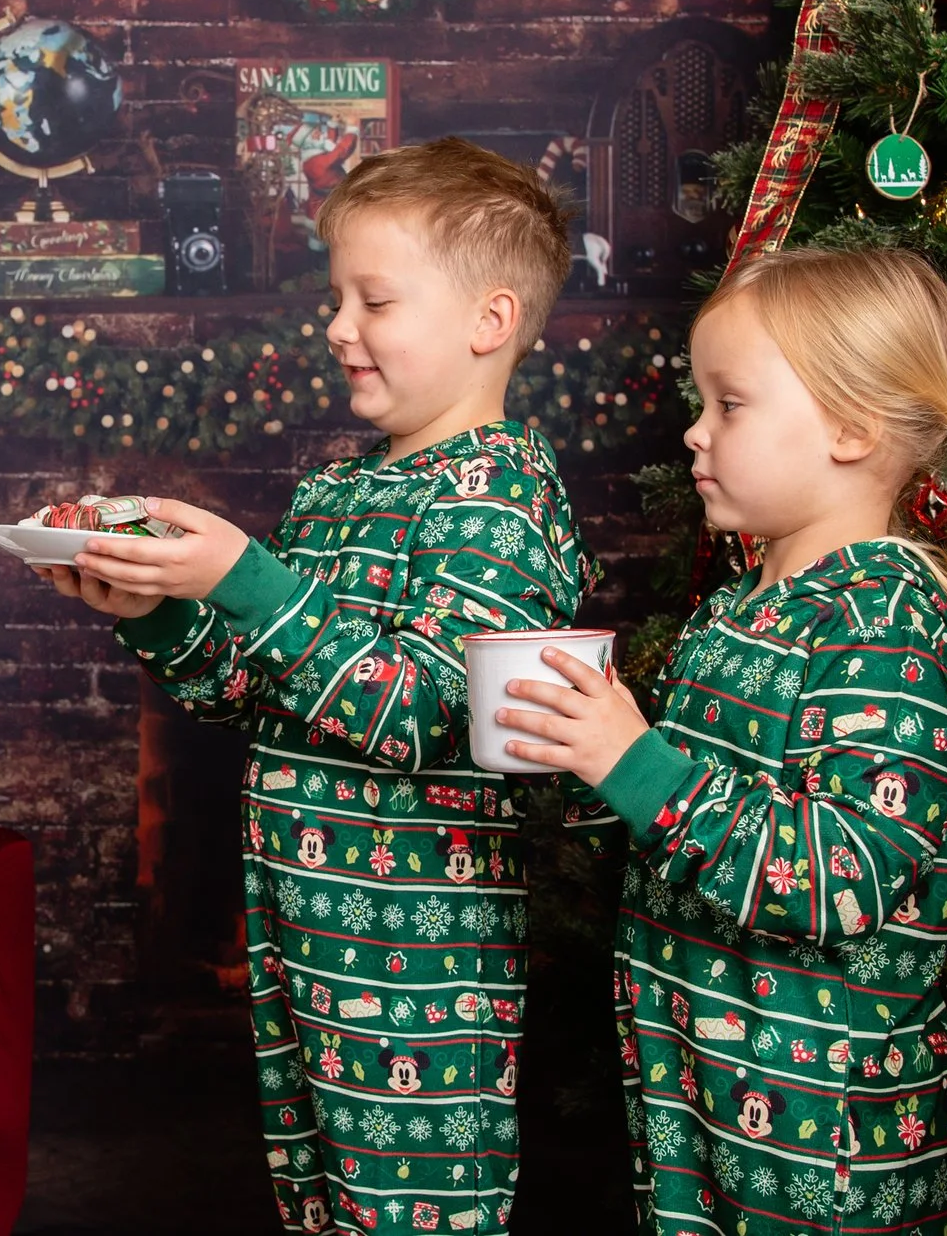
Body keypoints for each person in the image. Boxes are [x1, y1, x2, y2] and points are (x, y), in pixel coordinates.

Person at [45, 137, 593, 1236]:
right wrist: (156, 611)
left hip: (418, 955)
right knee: (323, 1208)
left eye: (372, 299)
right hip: (301, 929)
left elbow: (427, 713)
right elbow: (254, 690)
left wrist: (245, 577)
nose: (336, 325)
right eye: (334, 295)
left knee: (414, 1215)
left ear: (487, 323)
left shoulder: (499, 502)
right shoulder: (340, 489)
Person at [499, 247, 947, 1236]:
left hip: (821, 1142)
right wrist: (580, 750)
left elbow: (836, 876)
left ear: (850, 426)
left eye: (729, 403)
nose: (693, 431)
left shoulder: (881, 621)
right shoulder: (741, 605)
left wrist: (633, 759)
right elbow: (689, 816)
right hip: (698, 1101)